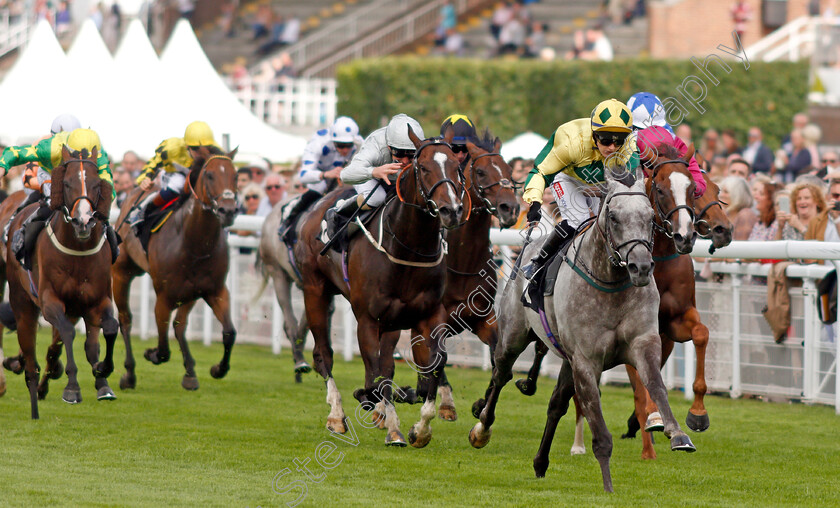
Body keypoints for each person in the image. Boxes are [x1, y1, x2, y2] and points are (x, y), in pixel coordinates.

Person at [520, 98, 638, 279]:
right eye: (605, 140)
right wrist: (534, 201)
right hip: (568, 178)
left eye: (619, 141)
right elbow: (541, 171)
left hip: (601, 183)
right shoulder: (571, 143)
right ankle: (538, 261)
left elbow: (630, 181)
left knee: (615, 220)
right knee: (578, 219)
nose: (612, 147)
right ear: (594, 134)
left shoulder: (629, 146)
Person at [0, 124, 118, 260]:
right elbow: (15, 153)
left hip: (81, 180)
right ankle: (23, 236)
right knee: (50, 203)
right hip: (50, 173)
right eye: (78, 155)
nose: (82, 158)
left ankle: (114, 249)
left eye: (86, 156)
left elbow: (108, 184)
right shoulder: (51, 147)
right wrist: (3, 166)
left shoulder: (98, 153)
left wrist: (98, 208)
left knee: (102, 212)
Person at [323, 114, 424, 243]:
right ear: (389, 147)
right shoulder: (375, 146)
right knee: (377, 197)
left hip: (396, 177)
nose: (404, 161)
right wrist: (375, 172)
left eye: (411, 154)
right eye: (399, 153)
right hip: (370, 176)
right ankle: (339, 210)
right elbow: (345, 175)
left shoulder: (421, 146)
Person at [276, 116, 362, 240]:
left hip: (343, 180)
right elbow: (303, 176)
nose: (345, 149)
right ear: (332, 140)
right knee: (317, 190)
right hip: (320, 180)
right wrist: (325, 174)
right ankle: (288, 220)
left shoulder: (360, 143)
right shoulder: (318, 142)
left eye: (349, 145)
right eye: (340, 145)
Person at [128, 121, 222, 228]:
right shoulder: (172, 148)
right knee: (178, 183)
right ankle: (144, 210)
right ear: (187, 146)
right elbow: (154, 162)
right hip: (175, 173)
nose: (201, 153)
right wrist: (146, 178)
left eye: (206, 148)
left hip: (198, 175)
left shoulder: (218, 152)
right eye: (195, 149)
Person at [626, 92, 705, 197]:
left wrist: (683, 185)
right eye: (644, 130)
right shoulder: (620, 145)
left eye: (656, 128)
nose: (651, 132)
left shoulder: (676, 143)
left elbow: (699, 184)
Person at [719, 176, 757, 240]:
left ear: (737, 195)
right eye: (721, 191)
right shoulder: (726, 213)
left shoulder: (745, 214)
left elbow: (741, 245)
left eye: (726, 192)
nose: (721, 195)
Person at [747, 176, 781, 242]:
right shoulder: (760, 223)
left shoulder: (777, 225)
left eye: (762, 194)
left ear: (771, 200)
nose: (756, 197)